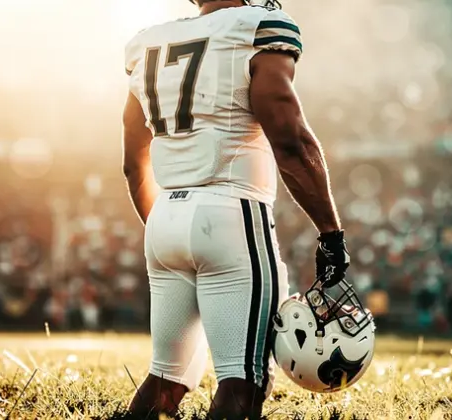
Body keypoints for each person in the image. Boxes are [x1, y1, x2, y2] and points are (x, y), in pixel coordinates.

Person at [121, 0, 350, 418]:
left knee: (165, 379)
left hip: (164, 218)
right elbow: (291, 142)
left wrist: (167, 227)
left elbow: (133, 163)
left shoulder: (148, 44)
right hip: (231, 214)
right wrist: (331, 234)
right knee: (244, 382)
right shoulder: (257, 27)